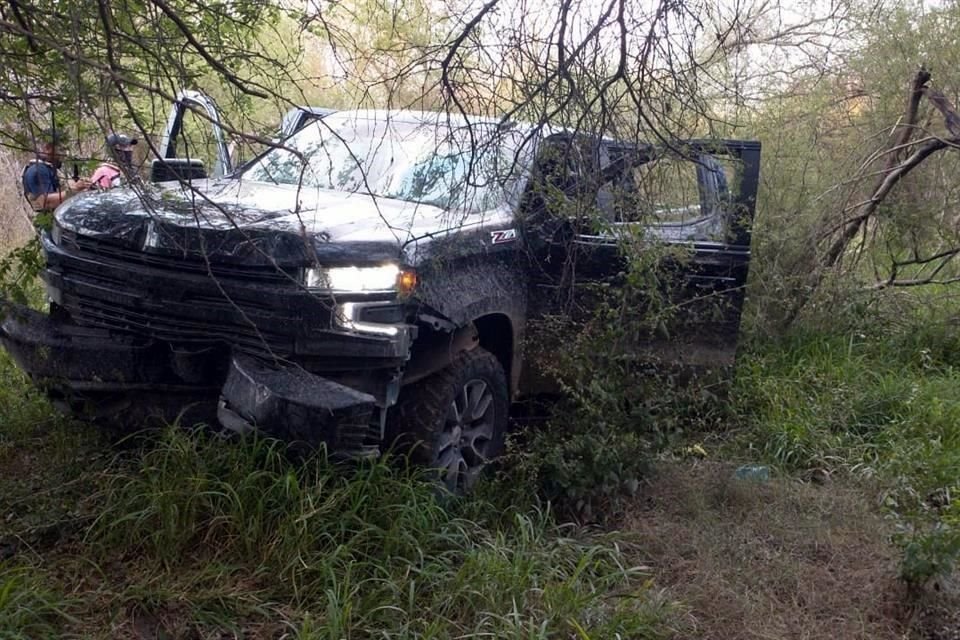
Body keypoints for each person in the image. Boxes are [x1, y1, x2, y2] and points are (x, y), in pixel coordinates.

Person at [22, 129, 91, 213]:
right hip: (52, 222)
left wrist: (81, 185)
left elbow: (63, 189)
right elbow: (46, 202)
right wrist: (74, 190)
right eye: (61, 149)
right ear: (48, 148)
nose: (65, 153)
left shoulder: (50, 169)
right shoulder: (38, 171)